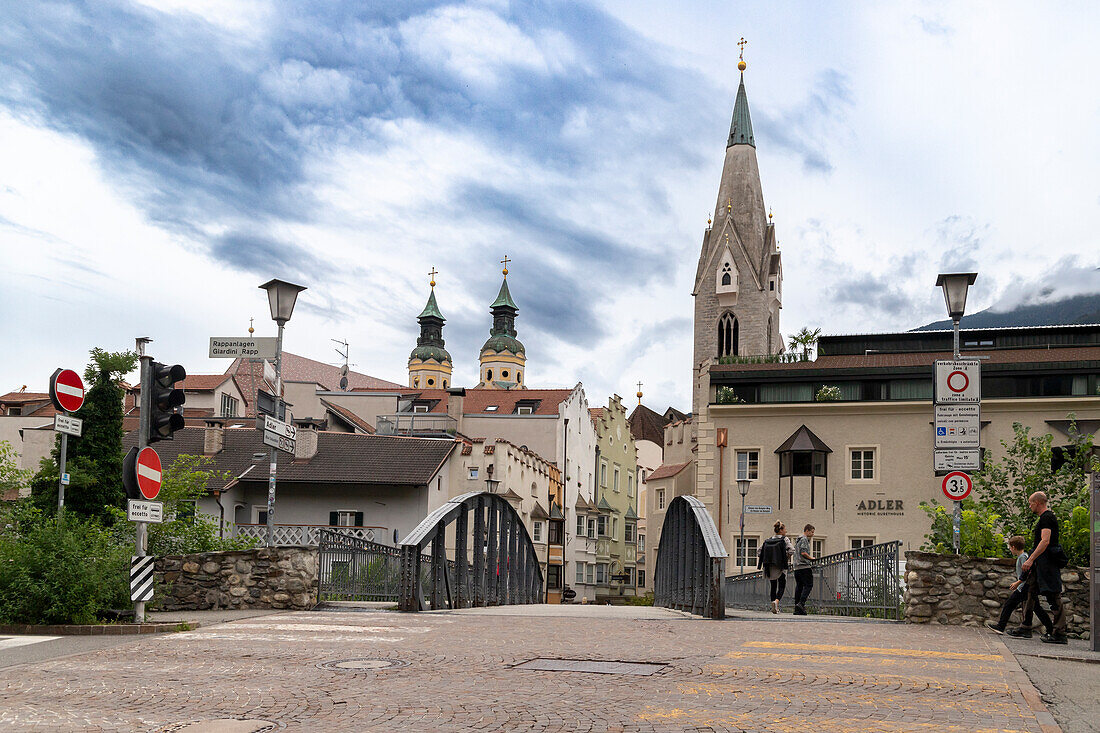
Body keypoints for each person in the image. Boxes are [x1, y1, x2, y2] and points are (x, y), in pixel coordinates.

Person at [1006, 492, 1068, 644]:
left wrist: (1030, 559)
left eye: (1031, 503)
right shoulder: (1043, 518)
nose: (1030, 506)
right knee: (1030, 591)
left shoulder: (1047, 517)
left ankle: (1059, 633)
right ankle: (1026, 626)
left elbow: (1045, 541)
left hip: (1047, 563)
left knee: (1053, 595)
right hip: (1040, 563)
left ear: (1038, 503)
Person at [985, 536, 1047, 634]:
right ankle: (1050, 628)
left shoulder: (1023, 557)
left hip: (1024, 587)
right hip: (1026, 586)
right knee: (1036, 608)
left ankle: (1001, 626)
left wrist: (1018, 583)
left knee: (1009, 605)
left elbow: (1027, 572)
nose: (1010, 549)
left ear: (1013, 547)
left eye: (1010, 547)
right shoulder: (1023, 556)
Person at [758, 521, 794, 614]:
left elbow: (759, 551)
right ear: (781, 530)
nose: (786, 531)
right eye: (785, 529)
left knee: (773, 586)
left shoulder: (768, 540)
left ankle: (773, 606)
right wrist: (786, 557)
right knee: (782, 585)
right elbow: (792, 550)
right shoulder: (784, 539)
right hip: (780, 566)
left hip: (769, 567)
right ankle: (776, 602)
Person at [792, 524, 815, 615]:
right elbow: (803, 552)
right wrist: (811, 558)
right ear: (807, 531)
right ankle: (801, 603)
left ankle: (797, 608)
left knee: (799, 587)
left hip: (796, 567)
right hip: (804, 566)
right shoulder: (804, 539)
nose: (813, 534)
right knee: (809, 585)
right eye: (812, 532)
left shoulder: (798, 540)